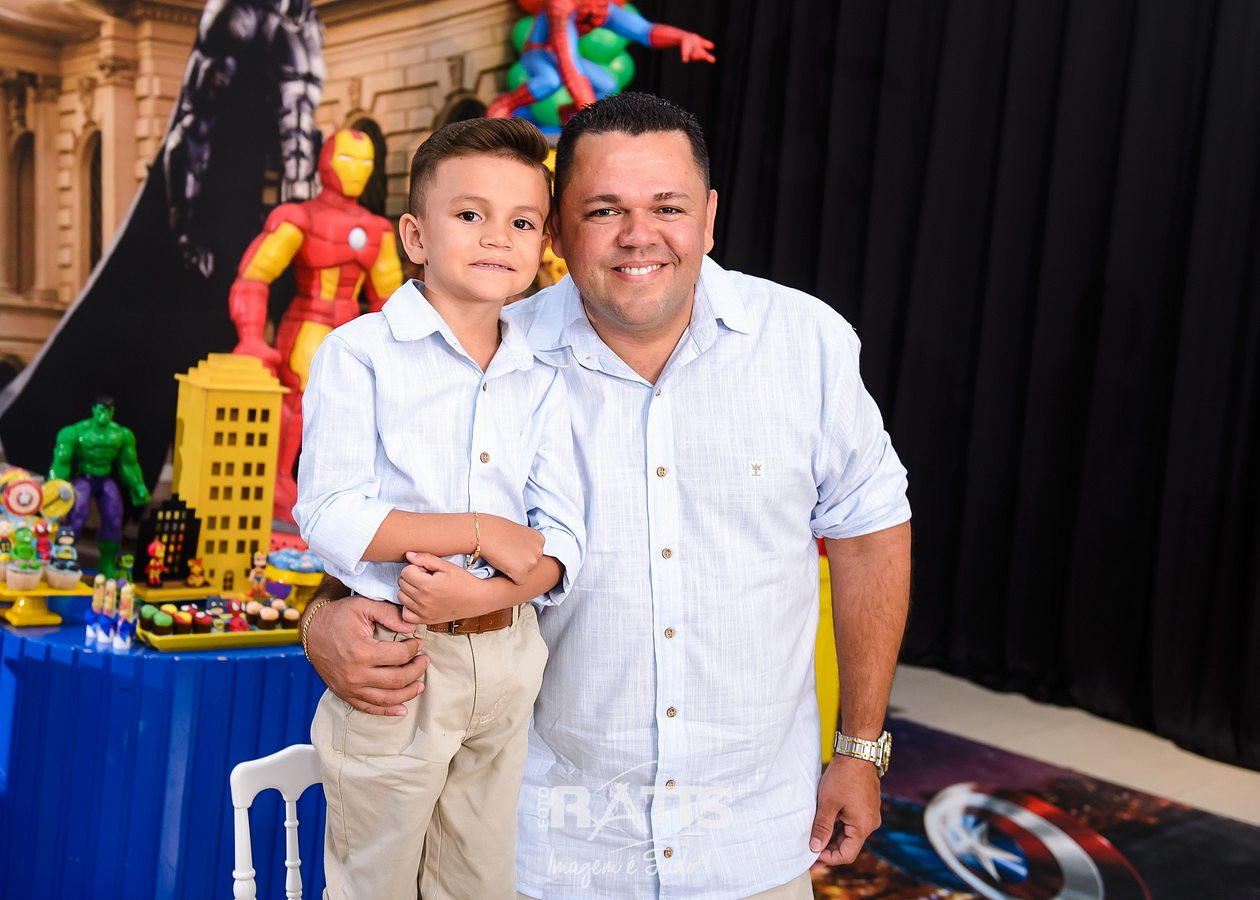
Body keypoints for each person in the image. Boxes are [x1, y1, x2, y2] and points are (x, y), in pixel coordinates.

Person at [302, 93, 912, 899]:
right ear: (559, 231)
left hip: (753, 837)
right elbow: (376, 511)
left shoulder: (806, 342)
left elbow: (872, 533)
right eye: (603, 210)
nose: (638, 234)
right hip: (549, 847)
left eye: (668, 207)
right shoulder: (500, 352)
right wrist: (321, 622)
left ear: (709, 217)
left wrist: (860, 748)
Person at [292, 116, 586, 900]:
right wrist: (480, 532)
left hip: (510, 655)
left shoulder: (543, 373)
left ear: (543, 243)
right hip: (401, 657)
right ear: (416, 236)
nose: (497, 237)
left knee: (480, 880)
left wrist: (489, 591)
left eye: (521, 222)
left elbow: (561, 533)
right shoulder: (359, 353)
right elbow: (330, 513)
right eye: (470, 214)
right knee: (375, 880)